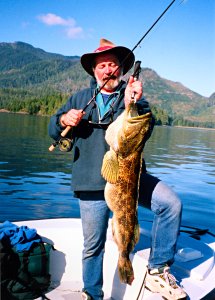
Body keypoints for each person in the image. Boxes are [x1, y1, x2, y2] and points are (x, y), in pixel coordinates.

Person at [48, 38, 187, 300]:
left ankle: (158, 271)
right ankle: (91, 293)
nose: (108, 70)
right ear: (93, 71)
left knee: (170, 204)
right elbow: (53, 129)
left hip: (130, 178)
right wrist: (64, 119)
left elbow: (145, 124)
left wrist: (134, 103)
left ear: (121, 70)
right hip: (90, 181)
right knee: (93, 247)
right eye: (102, 65)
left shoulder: (131, 97)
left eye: (113, 64)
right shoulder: (79, 98)